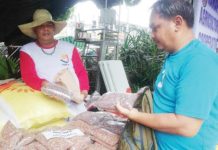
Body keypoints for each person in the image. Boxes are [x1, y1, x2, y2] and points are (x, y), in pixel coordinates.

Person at [116, 0, 218, 149]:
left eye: (155, 28)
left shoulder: (199, 61)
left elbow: (186, 126)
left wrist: (135, 115)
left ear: (177, 23)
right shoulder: (174, 55)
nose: (151, 35)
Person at [18, 9, 89, 98]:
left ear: (54, 29)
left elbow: (80, 72)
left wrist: (84, 91)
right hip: (45, 98)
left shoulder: (69, 47)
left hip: (75, 98)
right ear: (35, 30)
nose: (46, 28)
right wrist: (51, 88)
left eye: (49, 25)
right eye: (40, 26)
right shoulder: (27, 50)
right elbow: (29, 77)